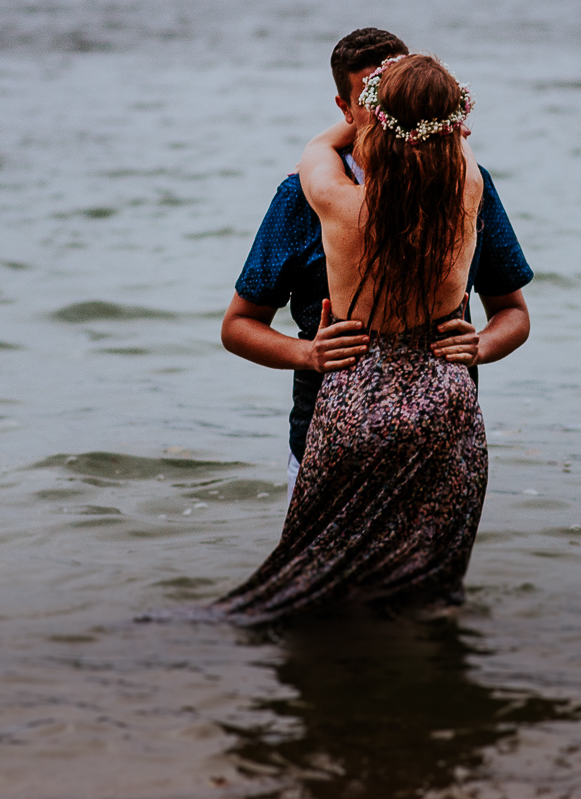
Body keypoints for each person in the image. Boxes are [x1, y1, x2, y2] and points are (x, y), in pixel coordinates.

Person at [210, 53, 498, 623]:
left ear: (370, 116)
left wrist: (369, 107)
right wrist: (430, 110)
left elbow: (315, 151)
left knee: (315, 579)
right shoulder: (468, 189)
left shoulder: (340, 205)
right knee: (424, 590)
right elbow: (452, 142)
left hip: (354, 397)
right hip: (445, 396)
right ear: (455, 125)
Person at [221, 29, 532, 500]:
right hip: (379, 417)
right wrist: (307, 354)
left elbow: (515, 312)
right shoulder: (466, 183)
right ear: (345, 108)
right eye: (374, 92)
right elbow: (237, 326)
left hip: (363, 415)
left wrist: (483, 345)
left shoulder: (326, 191)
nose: (388, 101)